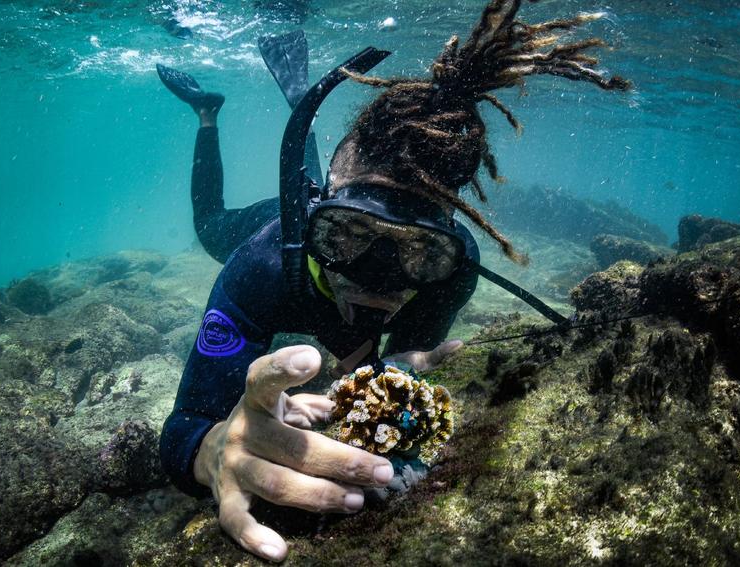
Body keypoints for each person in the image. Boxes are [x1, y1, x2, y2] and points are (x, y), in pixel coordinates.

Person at [157, 0, 629, 562]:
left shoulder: (452, 272)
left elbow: (394, 364)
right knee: (209, 226)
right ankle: (207, 113)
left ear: (446, 243)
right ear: (316, 224)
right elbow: (184, 427)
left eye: (419, 249)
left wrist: (386, 372)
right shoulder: (263, 265)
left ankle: (323, 168)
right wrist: (212, 448)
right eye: (347, 234)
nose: (378, 277)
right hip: (274, 218)